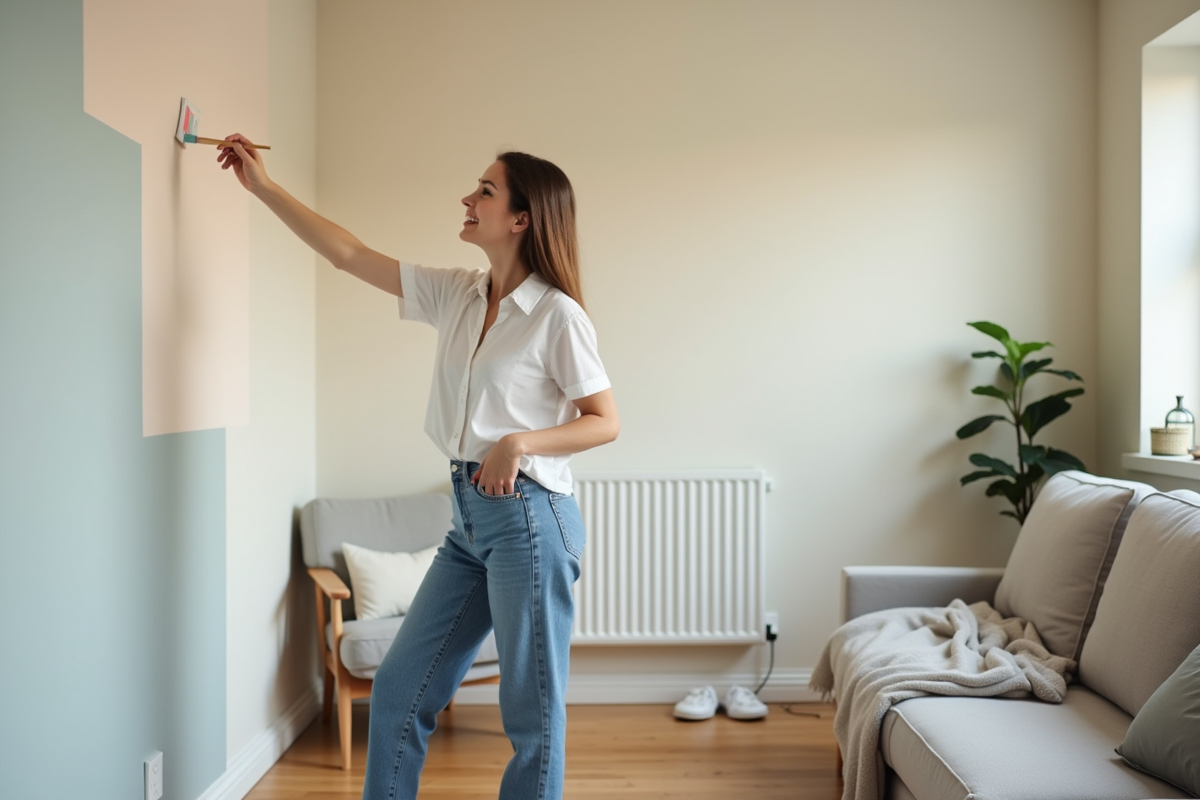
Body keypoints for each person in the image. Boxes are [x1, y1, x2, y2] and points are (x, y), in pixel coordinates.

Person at [216, 134, 619, 800]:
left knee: (532, 718)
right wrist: (262, 187)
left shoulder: (556, 315)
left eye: (485, 190)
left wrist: (519, 443)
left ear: (522, 218)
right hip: (468, 523)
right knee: (401, 688)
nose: (468, 197)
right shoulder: (458, 294)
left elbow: (604, 420)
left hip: (529, 520)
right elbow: (347, 254)